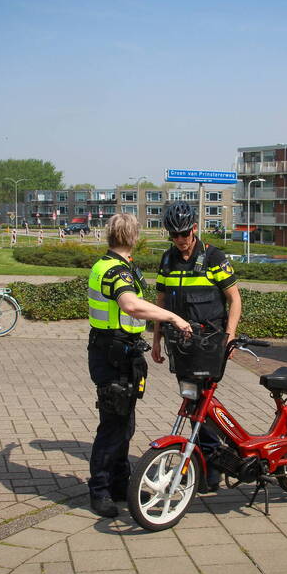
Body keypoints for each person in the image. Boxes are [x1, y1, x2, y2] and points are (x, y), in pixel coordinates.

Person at [86, 213, 191, 518]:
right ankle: (100, 490)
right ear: (133, 237)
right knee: (113, 425)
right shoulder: (116, 271)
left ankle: (119, 483)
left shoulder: (105, 265)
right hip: (113, 354)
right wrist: (172, 316)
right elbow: (130, 305)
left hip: (117, 352)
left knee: (124, 423)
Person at [151, 201, 242, 492]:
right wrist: (155, 339)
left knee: (202, 403)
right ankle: (202, 461)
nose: (180, 240)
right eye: (174, 235)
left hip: (209, 343)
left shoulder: (214, 257)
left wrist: (230, 336)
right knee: (192, 403)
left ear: (194, 228)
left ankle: (212, 467)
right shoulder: (167, 260)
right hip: (181, 346)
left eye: (184, 234)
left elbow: (235, 299)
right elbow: (161, 303)